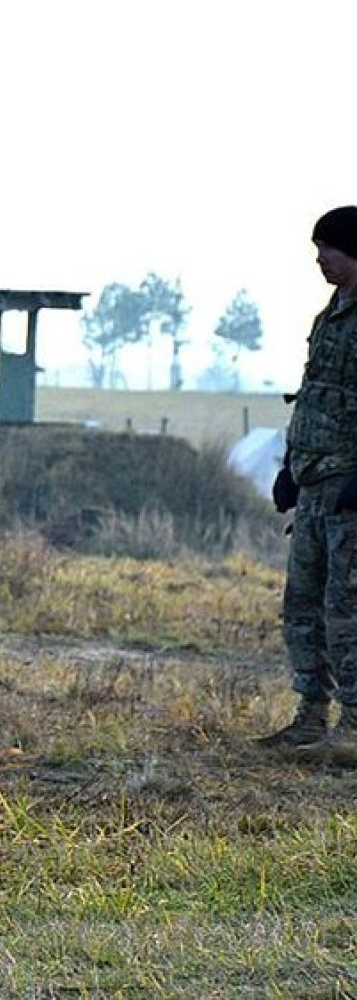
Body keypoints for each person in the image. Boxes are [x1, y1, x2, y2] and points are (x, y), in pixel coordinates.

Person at [258, 206, 357, 751]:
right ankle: (311, 714)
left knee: (348, 607)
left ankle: (355, 722)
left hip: (348, 487)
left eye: (329, 249)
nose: (320, 259)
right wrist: (288, 470)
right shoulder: (328, 316)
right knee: (304, 602)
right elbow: (317, 394)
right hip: (315, 480)